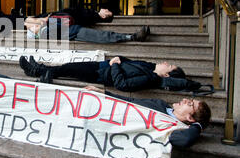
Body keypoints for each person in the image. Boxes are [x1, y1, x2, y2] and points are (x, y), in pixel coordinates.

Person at [86, 85, 211, 148]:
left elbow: (185, 140)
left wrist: (198, 125)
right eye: (189, 99)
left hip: (108, 126)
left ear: (190, 118)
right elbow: (131, 100)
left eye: (189, 104)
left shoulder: (172, 128)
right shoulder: (160, 103)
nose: (184, 99)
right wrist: (103, 93)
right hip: (106, 111)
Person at [19, 55, 195, 92]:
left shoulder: (149, 78)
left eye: (169, 66)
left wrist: (115, 65)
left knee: (67, 68)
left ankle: (36, 70)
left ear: (166, 75)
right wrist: (119, 59)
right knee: (67, 67)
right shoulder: (149, 67)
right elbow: (128, 62)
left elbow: (122, 84)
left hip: (102, 74)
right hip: (103, 66)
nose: (165, 63)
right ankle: (38, 68)